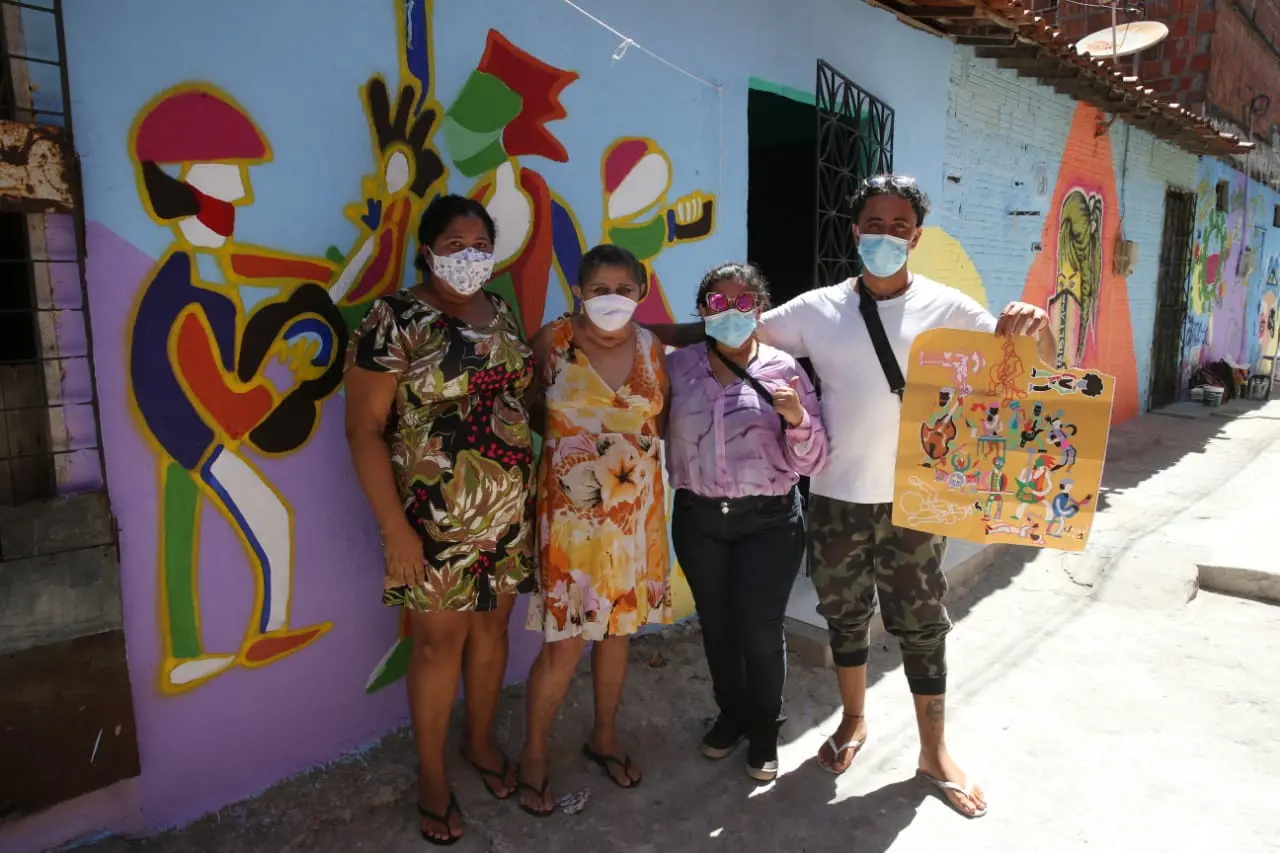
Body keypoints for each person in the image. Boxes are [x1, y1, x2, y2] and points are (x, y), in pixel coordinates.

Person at [647, 175, 1055, 819]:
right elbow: (726, 330)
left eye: (899, 227)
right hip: (836, 495)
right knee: (845, 618)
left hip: (921, 499)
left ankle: (934, 750)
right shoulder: (816, 310)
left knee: (921, 627)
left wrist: (1037, 326)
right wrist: (621, 330)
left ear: (915, 237)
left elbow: (1032, 368)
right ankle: (852, 723)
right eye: (874, 223)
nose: (884, 235)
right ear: (854, 230)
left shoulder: (949, 308)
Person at [344, 195, 536, 846]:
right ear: (426, 251)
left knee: (492, 630)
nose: (471, 256)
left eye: (482, 243)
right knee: (436, 645)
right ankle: (432, 775)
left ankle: (479, 743)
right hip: (431, 522)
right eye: (456, 244)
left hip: (507, 512)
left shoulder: (501, 309)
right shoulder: (393, 318)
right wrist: (394, 529)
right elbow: (364, 429)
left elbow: (518, 395)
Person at [518, 244, 671, 817]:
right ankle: (533, 757)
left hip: (635, 522)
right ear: (578, 290)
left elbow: (660, 419)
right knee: (564, 646)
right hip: (572, 525)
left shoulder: (651, 348)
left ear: (641, 292)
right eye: (599, 289)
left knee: (617, 636)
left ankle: (603, 736)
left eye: (624, 290)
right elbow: (528, 409)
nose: (612, 299)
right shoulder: (551, 342)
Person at [666, 262, 828, 782]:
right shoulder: (677, 368)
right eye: (718, 304)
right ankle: (731, 713)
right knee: (717, 627)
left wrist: (798, 420)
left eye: (743, 304)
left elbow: (812, 461)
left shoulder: (785, 370)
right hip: (698, 519)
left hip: (769, 522)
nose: (732, 314)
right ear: (702, 312)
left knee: (759, 631)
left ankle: (764, 727)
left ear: (758, 311)